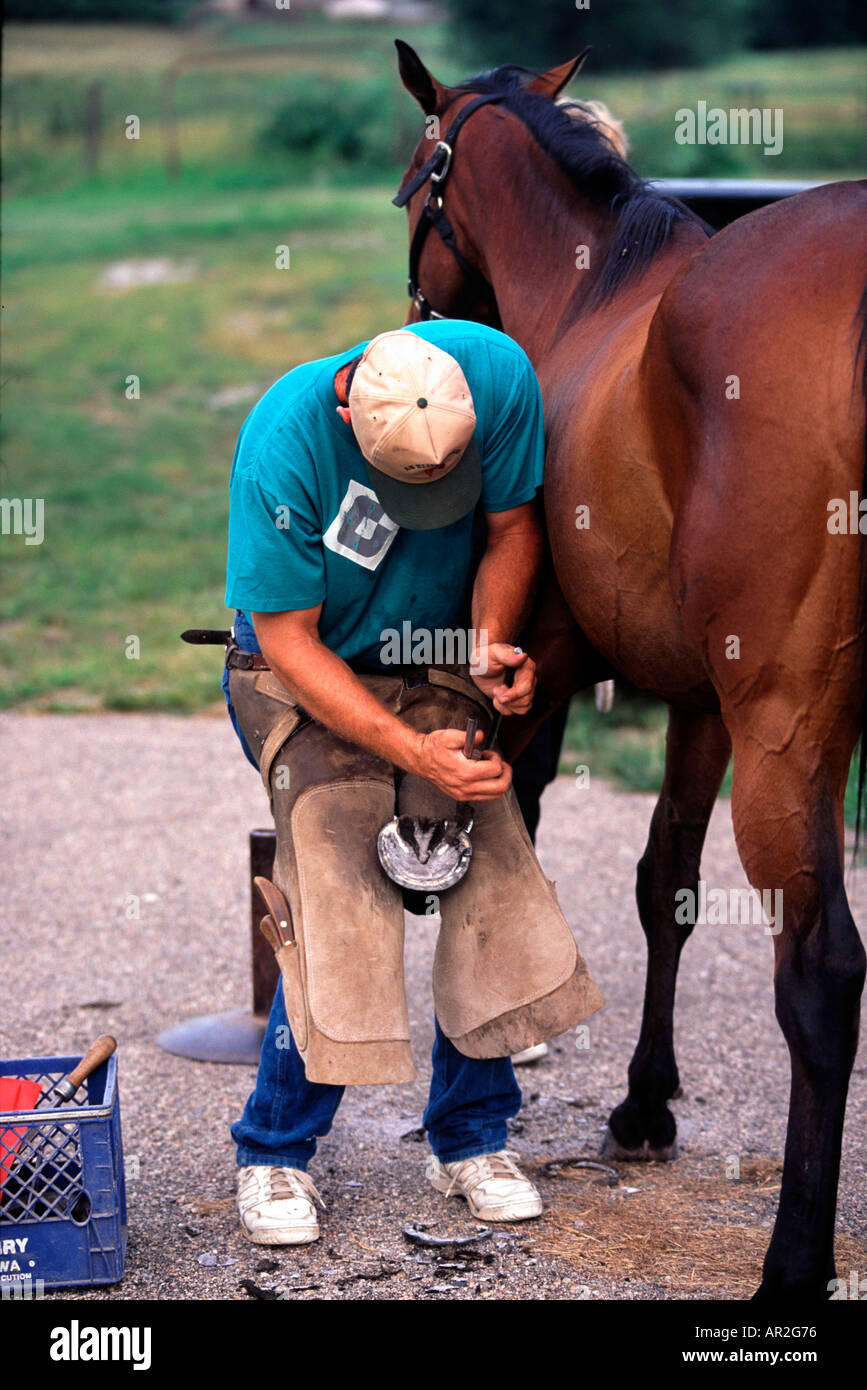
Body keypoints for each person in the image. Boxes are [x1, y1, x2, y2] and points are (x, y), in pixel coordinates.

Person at [223, 322, 602, 1245]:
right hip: (301, 675)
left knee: (481, 853)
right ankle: (273, 1154)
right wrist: (406, 748)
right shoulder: (283, 444)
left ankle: (469, 1138)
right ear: (347, 411)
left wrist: (486, 643)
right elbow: (288, 639)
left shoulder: (495, 374)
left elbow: (513, 529)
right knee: (342, 861)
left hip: (432, 661)